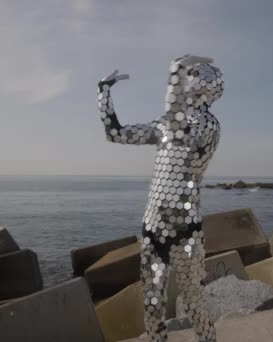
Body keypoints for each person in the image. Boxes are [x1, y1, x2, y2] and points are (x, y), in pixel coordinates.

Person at [96, 55, 223, 342]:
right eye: (186, 74)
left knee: (193, 300)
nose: (187, 79)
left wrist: (175, 72)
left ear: (207, 86)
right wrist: (103, 92)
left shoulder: (207, 125)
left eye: (193, 74)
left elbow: (182, 138)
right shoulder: (166, 124)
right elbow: (115, 134)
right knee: (152, 303)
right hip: (153, 228)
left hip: (185, 230)